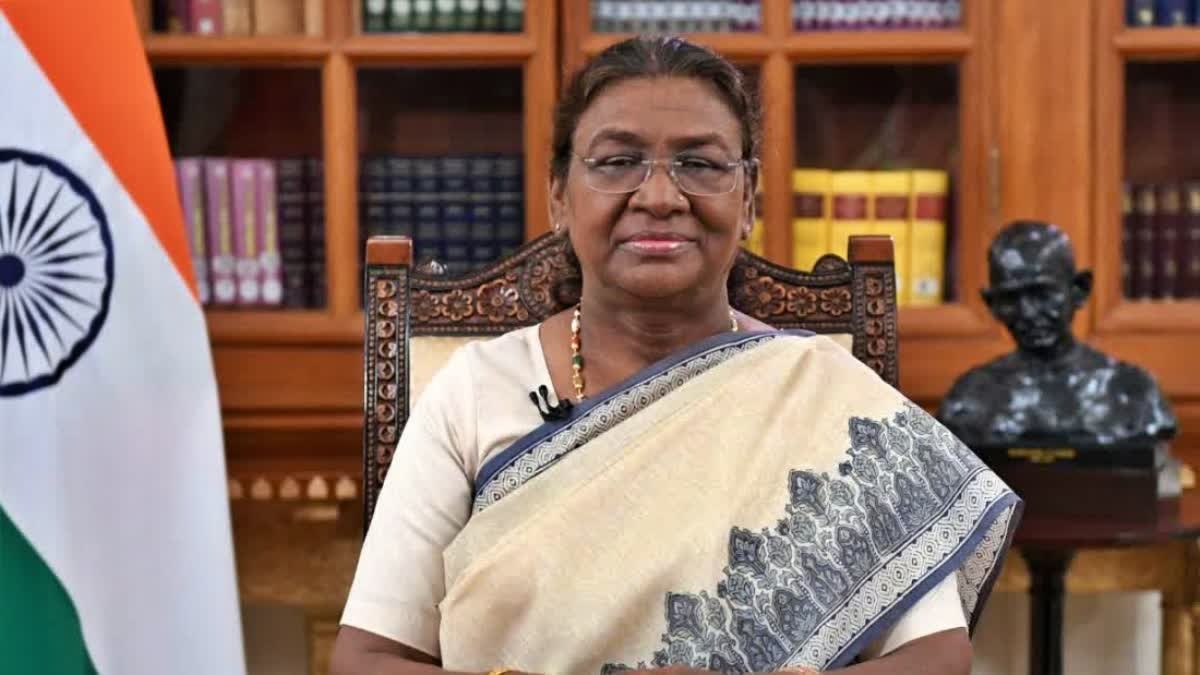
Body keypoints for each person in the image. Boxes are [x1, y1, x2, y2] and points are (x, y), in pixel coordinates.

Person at [332, 36, 1019, 675]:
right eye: (617, 162)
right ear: (559, 196)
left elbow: (936, 657)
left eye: (700, 164)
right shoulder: (474, 393)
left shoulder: (825, 394)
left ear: (747, 200)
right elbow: (367, 658)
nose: (660, 197)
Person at [938, 220, 1177, 447]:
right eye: (1010, 299)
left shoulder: (1134, 392)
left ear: (1079, 290)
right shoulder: (969, 398)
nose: (1027, 312)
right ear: (992, 305)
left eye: (1042, 294)